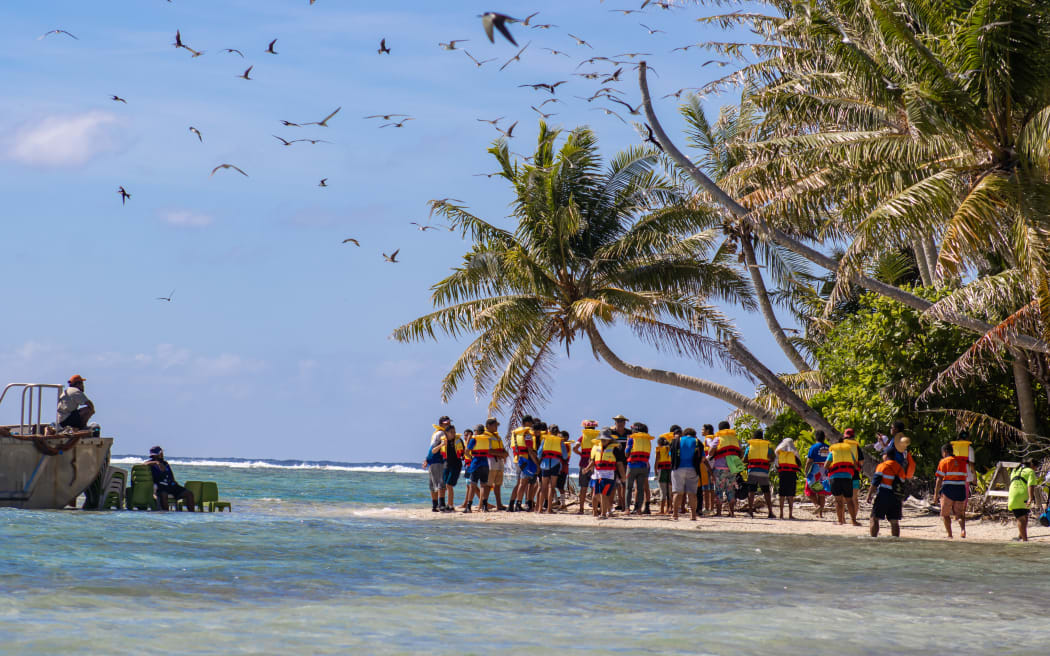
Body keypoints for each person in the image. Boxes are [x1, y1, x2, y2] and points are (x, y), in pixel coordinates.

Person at [867, 451, 906, 537]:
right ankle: (895, 540)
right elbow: (902, 483)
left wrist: (869, 495)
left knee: (874, 518)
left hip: (883, 494)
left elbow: (875, 483)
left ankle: (873, 539)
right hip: (896, 497)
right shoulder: (900, 468)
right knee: (894, 521)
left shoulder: (882, 466)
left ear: (886, 456)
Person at [933, 443, 968, 538]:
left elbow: (939, 479)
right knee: (960, 514)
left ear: (945, 452)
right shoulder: (962, 461)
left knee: (945, 514)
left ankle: (950, 535)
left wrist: (935, 495)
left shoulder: (943, 462)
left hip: (948, 490)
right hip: (960, 490)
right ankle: (963, 530)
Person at [144, 446, 195, 511]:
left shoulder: (165, 463)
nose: (162, 454)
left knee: (189, 493)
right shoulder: (151, 464)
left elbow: (170, 475)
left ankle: (191, 513)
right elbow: (144, 464)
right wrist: (156, 463)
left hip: (171, 485)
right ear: (156, 454)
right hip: (161, 486)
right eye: (161, 453)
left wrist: (174, 481)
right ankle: (167, 514)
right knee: (163, 495)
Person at [586, 431, 623, 520]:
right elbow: (593, 460)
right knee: (596, 494)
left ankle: (603, 513)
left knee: (604, 494)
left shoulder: (615, 449)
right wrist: (587, 469)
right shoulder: (597, 447)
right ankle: (608, 510)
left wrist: (622, 475)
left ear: (609, 440)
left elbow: (619, 464)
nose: (603, 441)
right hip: (597, 474)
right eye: (601, 440)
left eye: (605, 440)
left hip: (609, 475)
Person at [709, 421, 742, 517]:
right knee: (730, 490)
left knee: (719, 490)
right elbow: (741, 453)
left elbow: (711, 452)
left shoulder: (718, 439)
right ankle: (731, 512)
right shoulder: (735, 439)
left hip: (719, 468)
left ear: (719, 429)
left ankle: (719, 512)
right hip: (732, 468)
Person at [826, 434, 860, 526]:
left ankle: (840, 521)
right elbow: (856, 466)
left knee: (838, 500)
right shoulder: (849, 451)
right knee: (849, 500)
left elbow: (826, 465)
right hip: (847, 478)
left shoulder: (833, 452)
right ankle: (853, 521)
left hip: (835, 478)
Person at [670, 427, 702, 521]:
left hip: (677, 468)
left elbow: (670, 454)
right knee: (692, 494)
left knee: (677, 492)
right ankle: (693, 516)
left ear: (684, 433)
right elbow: (702, 457)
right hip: (693, 469)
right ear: (694, 434)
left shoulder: (676, 441)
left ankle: (675, 515)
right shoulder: (697, 442)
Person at [743, 429, 776, 519]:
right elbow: (772, 458)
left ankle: (750, 512)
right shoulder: (767, 448)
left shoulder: (749, 447)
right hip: (764, 471)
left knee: (751, 491)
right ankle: (770, 512)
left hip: (752, 471)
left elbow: (745, 460)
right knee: (766, 492)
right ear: (762, 437)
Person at [508, 416, 538, 512]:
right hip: (525, 460)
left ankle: (511, 504)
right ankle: (518, 504)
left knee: (519, 484)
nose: (531, 425)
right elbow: (529, 449)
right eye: (530, 423)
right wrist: (536, 463)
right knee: (523, 483)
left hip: (517, 460)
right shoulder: (527, 434)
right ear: (526, 423)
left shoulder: (516, 433)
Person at [462, 425, 493, 513]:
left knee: (472, 485)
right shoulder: (487, 439)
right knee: (483, 485)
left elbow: (466, 452)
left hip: (476, 463)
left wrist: (471, 458)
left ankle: (468, 507)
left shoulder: (474, 440)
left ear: (476, 431)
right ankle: (484, 506)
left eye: (474, 431)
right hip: (485, 464)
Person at [625, 422, 654, 515]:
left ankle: (627, 509)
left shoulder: (632, 439)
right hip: (643, 467)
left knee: (628, 488)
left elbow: (626, 453)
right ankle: (638, 510)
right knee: (641, 488)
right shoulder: (648, 440)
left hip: (632, 466)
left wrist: (627, 443)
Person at [534, 422, 563, 514]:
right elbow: (565, 456)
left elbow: (539, 454)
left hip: (544, 465)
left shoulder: (544, 440)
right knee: (552, 487)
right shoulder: (560, 441)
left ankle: (539, 509)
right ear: (557, 431)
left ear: (549, 431)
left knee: (543, 487)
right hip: (555, 465)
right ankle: (549, 509)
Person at [1008, 460, 1039, 542]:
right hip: (1024, 495)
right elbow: (1030, 485)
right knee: (1022, 517)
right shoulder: (1030, 471)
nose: (1036, 470)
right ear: (1032, 465)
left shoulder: (1015, 470)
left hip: (1013, 495)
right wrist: (1030, 497)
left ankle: (1021, 536)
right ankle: (1025, 541)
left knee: (1023, 516)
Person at [422, 416, 449, 512]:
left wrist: (427, 459)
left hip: (432, 460)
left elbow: (431, 447)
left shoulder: (436, 433)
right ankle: (441, 505)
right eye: (446, 423)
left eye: (448, 423)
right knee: (441, 483)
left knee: (433, 484)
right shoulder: (442, 433)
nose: (448, 425)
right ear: (441, 424)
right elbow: (435, 447)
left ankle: (434, 505)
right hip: (438, 460)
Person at [803, 430, 830, 518]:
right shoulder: (828, 447)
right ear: (824, 438)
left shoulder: (814, 447)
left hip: (816, 470)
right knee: (821, 492)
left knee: (809, 490)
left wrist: (806, 471)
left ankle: (816, 505)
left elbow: (809, 461)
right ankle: (820, 514)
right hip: (825, 470)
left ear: (816, 437)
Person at [608, 414, 632, 510]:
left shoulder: (629, 433)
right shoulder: (611, 433)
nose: (620, 423)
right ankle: (613, 505)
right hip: (612, 461)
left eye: (621, 421)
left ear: (625, 422)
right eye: (618, 421)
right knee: (613, 485)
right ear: (615, 422)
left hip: (626, 462)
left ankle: (624, 505)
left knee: (624, 484)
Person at [575, 420, 600, 514]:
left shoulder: (582, 437)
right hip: (595, 464)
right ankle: (595, 510)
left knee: (583, 488)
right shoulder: (598, 437)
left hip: (584, 463)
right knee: (594, 488)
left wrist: (581, 454)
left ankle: (581, 509)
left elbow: (575, 448)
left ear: (585, 428)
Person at [483, 418, 507, 511]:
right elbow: (488, 450)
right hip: (491, 461)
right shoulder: (486, 436)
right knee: (488, 484)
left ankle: (499, 504)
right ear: (488, 426)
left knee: (498, 484)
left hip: (499, 461)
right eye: (495, 425)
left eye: (497, 425)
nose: (497, 427)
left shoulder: (497, 437)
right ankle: (484, 504)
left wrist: (505, 453)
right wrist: (502, 454)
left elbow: (502, 448)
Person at [774, 438, 801, 519]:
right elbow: (799, 465)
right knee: (791, 495)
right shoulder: (794, 454)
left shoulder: (779, 453)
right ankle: (790, 514)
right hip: (792, 475)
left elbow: (776, 465)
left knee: (782, 494)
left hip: (782, 474)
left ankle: (781, 514)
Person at [842, 428, 865, 521]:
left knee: (843, 498)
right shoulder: (856, 447)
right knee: (854, 498)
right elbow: (862, 462)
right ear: (853, 436)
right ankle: (853, 519)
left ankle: (842, 518)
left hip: (843, 474)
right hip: (854, 474)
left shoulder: (840, 446)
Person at [440, 425, 464, 512]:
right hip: (446, 465)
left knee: (449, 485)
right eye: (451, 432)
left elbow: (463, 452)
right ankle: (448, 504)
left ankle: (450, 505)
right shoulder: (443, 441)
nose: (453, 434)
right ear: (446, 433)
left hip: (456, 465)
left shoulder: (458, 441)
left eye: (454, 432)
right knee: (446, 485)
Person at [654, 433, 673, 515]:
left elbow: (657, 461)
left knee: (663, 491)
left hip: (662, 471)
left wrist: (655, 472)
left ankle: (662, 510)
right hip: (670, 470)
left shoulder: (659, 449)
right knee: (669, 491)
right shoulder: (670, 450)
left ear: (659, 443)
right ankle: (669, 509)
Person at [700, 424, 717, 513]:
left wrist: (706, 458)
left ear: (708, 431)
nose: (701, 431)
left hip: (708, 464)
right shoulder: (713, 438)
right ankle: (711, 508)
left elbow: (711, 447)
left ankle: (707, 508)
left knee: (706, 488)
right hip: (714, 464)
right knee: (711, 488)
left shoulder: (708, 438)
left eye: (703, 429)